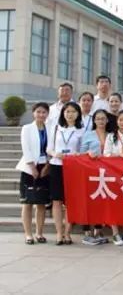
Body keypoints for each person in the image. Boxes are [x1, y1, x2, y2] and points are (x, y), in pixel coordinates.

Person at [46, 101, 83, 245]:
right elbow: (49, 148)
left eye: (73, 111)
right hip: (57, 165)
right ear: (63, 113)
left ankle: (67, 232)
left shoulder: (81, 130)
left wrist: (77, 155)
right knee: (57, 200)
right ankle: (59, 233)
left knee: (70, 201)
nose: (70, 114)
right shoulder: (56, 128)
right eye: (67, 111)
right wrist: (55, 154)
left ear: (78, 114)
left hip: (73, 168)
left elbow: (82, 150)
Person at [16, 102, 50, 245]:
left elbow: (52, 147)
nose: (41, 115)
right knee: (27, 202)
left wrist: (47, 166)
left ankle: (39, 233)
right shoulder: (27, 128)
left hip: (45, 167)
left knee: (41, 202)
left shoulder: (50, 128)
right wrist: (32, 167)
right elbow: (26, 148)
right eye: (38, 112)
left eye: (44, 112)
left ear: (47, 114)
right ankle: (28, 234)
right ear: (33, 113)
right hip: (29, 167)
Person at [79, 109, 112, 245]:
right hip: (89, 171)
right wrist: (89, 153)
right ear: (94, 121)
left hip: (106, 173)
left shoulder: (111, 135)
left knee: (101, 200)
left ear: (107, 120)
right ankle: (87, 232)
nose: (101, 121)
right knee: (88, 200)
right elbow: (81, 153)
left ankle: (98, 231)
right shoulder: (88, 134)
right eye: (98, 119)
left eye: (103, 119)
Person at [103, 110, 123, 246]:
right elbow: (106, 154)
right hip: (113, 174)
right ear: (117, 122)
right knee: (113, 203)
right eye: (121, 120)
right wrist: (119, 155)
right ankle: (115, 233)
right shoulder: (111, 136)